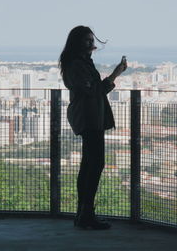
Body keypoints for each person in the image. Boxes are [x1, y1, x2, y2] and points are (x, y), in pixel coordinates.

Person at [59, 25, 127, 230]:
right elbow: (93, 91)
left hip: (90, 117)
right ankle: (86, 214)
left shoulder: (78, 62)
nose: (91, 43)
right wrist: (115, 74)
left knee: (89, 165)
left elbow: (92, 90)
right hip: (89, 118)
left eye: (91, 40)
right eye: (87, 40)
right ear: (78, 43)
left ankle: (83, 213)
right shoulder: (77, 65)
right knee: (94, 165)